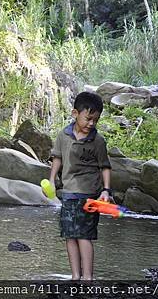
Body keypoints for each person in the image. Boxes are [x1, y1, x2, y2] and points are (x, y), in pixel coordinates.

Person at [46, 92, 112, 280]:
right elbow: (57, 158)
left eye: (95, 120)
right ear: (75, 113)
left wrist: (106, 190)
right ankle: (75, 276)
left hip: (90, 194)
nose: (91, 124)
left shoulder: (97, 141)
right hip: (68, 193)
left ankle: (88, 277)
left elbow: (105, 167)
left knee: (84, 235)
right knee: (70, 235)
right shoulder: (63, 136)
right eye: (88, 119)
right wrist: (51, 180)